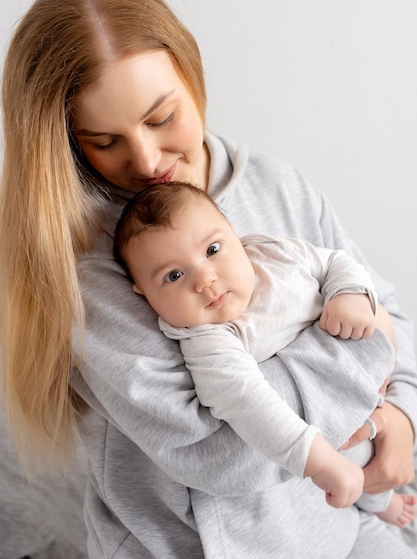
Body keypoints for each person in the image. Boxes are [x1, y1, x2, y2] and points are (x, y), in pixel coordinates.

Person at [0, 0, 416, 558]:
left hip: (338, 518)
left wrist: (400, 414)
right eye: (105, 140)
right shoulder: (90, 264)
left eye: (161, 117)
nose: (145, 160)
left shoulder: (276, 184)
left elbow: (390, 311)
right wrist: (368, 401)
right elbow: (221, 452)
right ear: (67, 139)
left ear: (190, 74)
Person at [113, 180, 415, 526]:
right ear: (143, 293)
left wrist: (348, 293)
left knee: (375, 450)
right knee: (358, 457)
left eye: (212, 250)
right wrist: (321, 463)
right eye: (174, 275)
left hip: (370, 377)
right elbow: (252, 407)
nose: (205, 280)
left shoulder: (270, 253)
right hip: (329, 428)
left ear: (234, 233)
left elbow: (333, 262)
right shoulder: (209, 341)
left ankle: (378, 495)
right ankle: (378, 502)